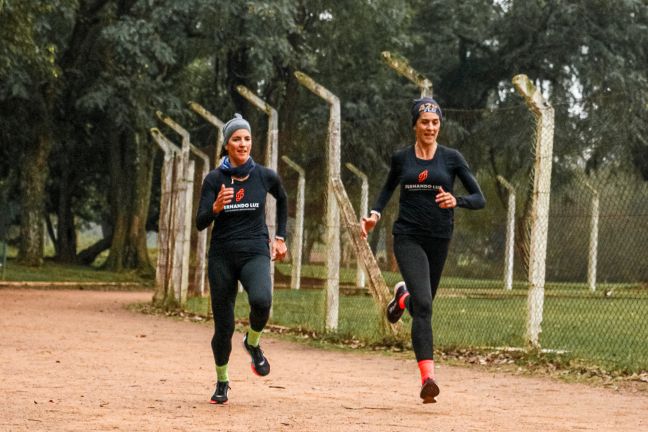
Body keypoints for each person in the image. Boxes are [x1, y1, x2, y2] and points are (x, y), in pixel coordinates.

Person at [361, 97, 485, 404]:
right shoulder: (402, 158)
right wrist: (375, 214)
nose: (430, 127)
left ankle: (402, 297)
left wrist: (458, 201)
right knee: (426, 306)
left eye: (435, 122)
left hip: (440, 238)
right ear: (414, 125)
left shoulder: (452, 158)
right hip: (408, 237)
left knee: (420, 306)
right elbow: (388, 188)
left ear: (439, 125)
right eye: (424, 122)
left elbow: (479, 197)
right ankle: (428, 378)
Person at [196, 113, 288, 405]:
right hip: (222, 256)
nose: (243, 143)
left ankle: (253, 342)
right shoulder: (214, 179)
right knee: (223, 328)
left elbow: (283, 198)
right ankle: (222, 381)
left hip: (255, 251)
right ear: (226, 145)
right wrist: (215, 207)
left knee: (262, 300)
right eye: (236, 139)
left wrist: (281, 237)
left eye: (247, 138)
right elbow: (200, 222)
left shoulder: (264, 176)